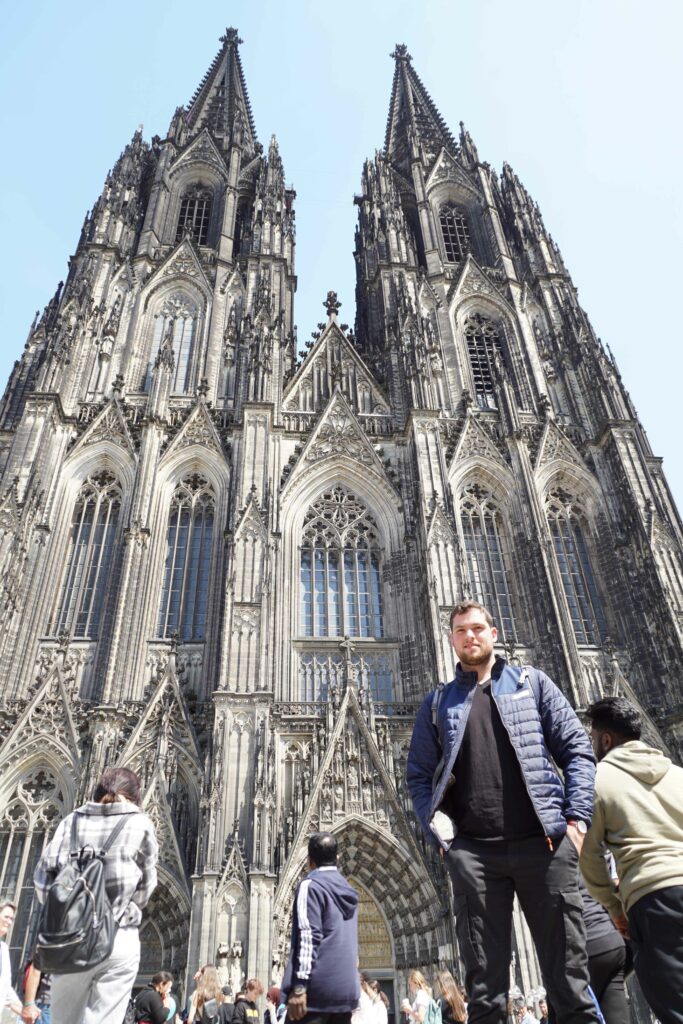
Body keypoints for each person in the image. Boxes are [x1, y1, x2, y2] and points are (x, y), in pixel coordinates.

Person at [406, 601, 599, 1024]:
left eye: (477, 628)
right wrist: (440, 836)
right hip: (474, 853)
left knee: (569, 984)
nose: (469, 636)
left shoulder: (533, 683)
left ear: (494, 633)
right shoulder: (438, 703)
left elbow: (578, 750)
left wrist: (577, 820)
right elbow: (418, 777)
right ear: (452, 639)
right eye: (460, 630)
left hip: (545, 846)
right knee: (485, 993)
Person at [580, 696, 683, 1024]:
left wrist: (613, 907)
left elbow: (589, 856)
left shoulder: (598, 781)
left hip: (653, 900)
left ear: (606, 739)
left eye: (593, 738)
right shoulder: (677, 775)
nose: (593, 745)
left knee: (673, 1002)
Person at [33, 766, 158, 1024]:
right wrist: (125, 910)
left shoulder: (72, 821)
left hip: (70, 940)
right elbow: (147, 886)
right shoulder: (140, 823)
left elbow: (43, 878)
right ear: (136, 796)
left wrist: (67, 911)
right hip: (118, 936)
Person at [281, 832, 359, 1023]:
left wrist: (299, 986)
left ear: (309, 862)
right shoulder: (349, 891)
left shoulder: (311, 885)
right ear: (338, 859)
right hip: (345, 994)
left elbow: (309, 936)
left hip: (316, 992)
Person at [0, 901, 25, 1020]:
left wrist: (24, 1010)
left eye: (11, 919)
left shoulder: (4, 949)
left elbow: (5, 986)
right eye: (6, 917)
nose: (9, 922)